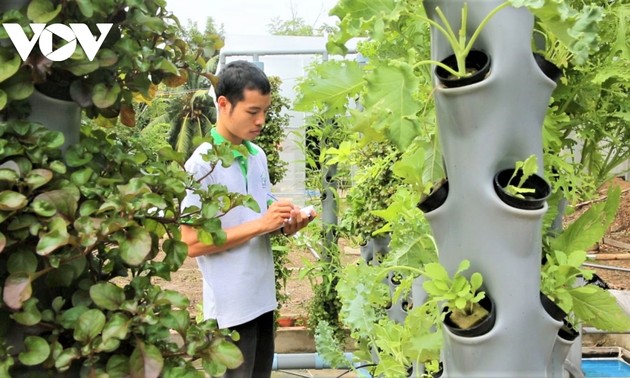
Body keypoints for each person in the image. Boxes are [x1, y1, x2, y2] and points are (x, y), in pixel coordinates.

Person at [181, 60, 315, 378]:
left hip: (261, 298)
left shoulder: (256, 156)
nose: (261, 121)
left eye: (264, 111)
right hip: (230, 308)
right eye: (252, 112)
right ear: (224, 104)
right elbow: (191, 242)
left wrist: (287, 221)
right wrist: (261, 224)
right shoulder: (200, 165)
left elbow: (259, 210)